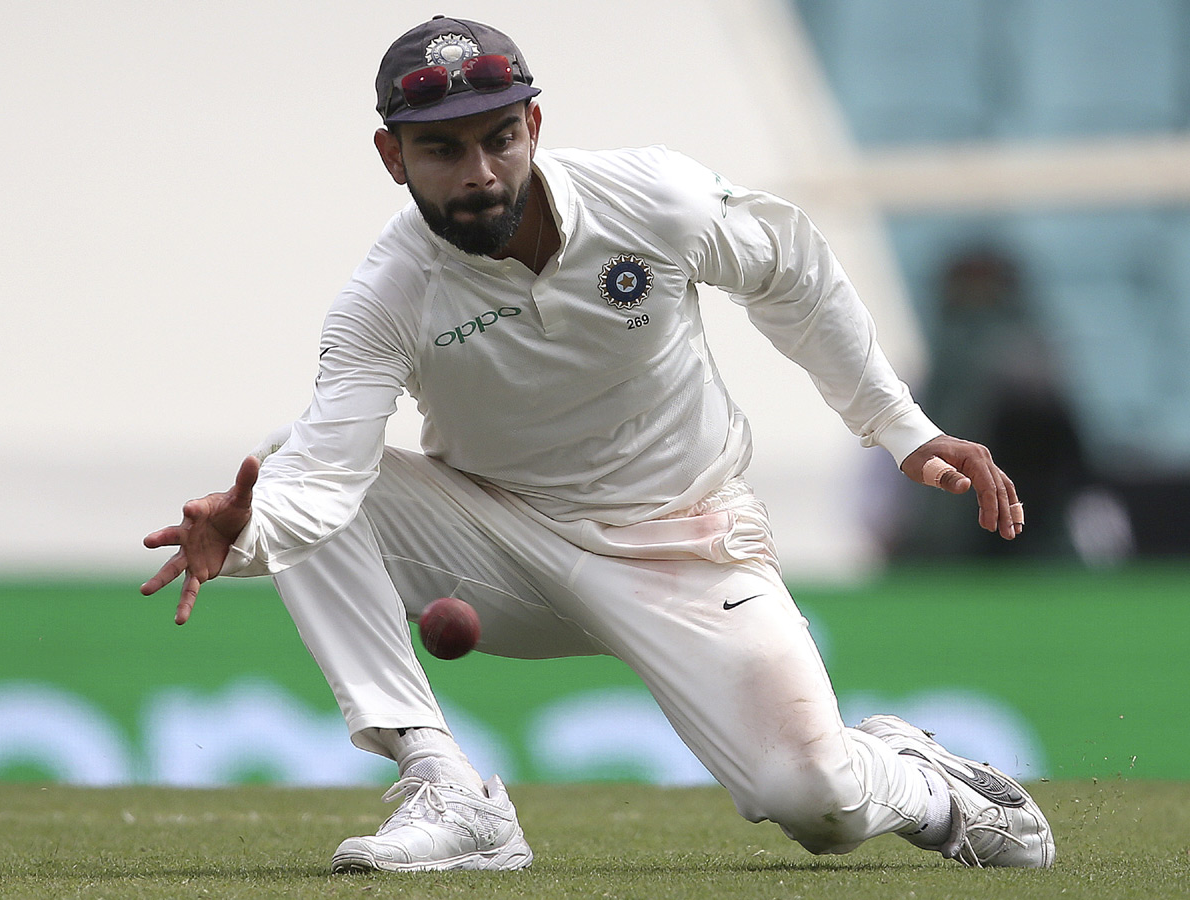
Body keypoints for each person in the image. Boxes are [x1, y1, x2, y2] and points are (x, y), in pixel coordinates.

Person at [142, 16, 1052, 874]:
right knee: (285, 463)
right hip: (502, 546)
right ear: (392, 156)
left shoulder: (653, 198)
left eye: (499, 136)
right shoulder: (386, 297)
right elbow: (327, 478)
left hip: (688, 544)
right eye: (442, 149)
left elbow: (793, 275)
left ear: (534, 123)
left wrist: (903, 430)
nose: (480, 173)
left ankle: (925, 787)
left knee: (814, 802)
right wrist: (248, 531)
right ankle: (447, 788)